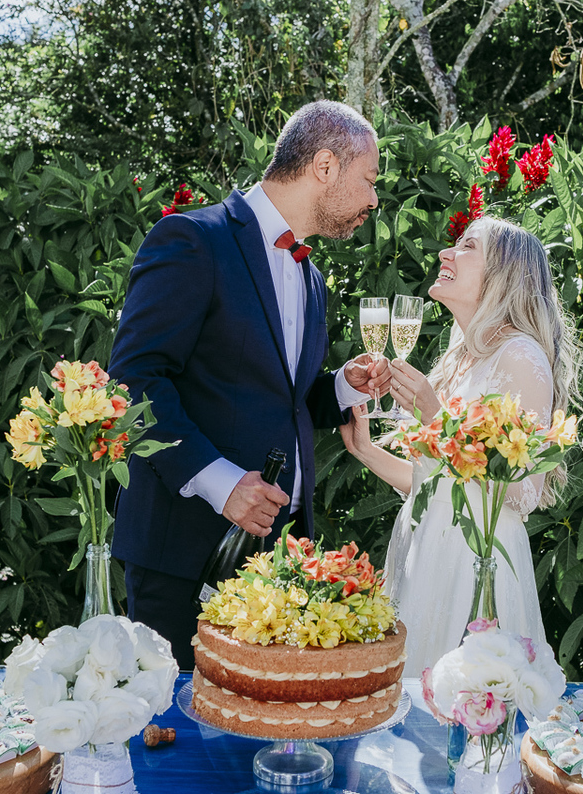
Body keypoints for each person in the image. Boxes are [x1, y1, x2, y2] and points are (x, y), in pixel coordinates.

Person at [109, 101, 391, 668]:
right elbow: (135, 380)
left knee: (261, 731)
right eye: (369, 179)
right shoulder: (193, 238)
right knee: (176, 731)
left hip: (278, 552)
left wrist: (340, 388)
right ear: (326, 166)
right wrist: (222, 483)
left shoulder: (312, 278)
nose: (374, 200)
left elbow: (282, 396)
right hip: (182, 547)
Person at [339, 216, 582, 676]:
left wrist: (438, 418)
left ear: (504, 276)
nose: (444, 254)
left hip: (477, 565)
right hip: (427, 553)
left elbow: (523, 493)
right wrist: (366, 451)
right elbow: (432, 482)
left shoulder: (522, 357)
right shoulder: (461, 359)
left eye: (466, 247)